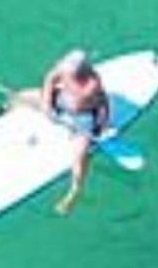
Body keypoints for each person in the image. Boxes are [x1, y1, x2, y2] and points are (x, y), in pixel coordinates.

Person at [38, 50, 117, 216]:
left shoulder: (92, 84)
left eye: (71, 70)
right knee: (23, 95)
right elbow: (50, 78)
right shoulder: (63, 70)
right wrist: (46, 103)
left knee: (80, 156)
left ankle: (75, 190)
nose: (66, 71)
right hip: (62, 103)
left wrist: (101, 126)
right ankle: (1, 109)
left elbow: (103, 104)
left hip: (83, 118)